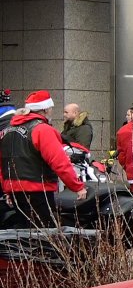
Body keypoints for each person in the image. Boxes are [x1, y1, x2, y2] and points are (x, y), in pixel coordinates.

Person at [1, 90, 87, 226]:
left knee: (26, 234)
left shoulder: (7, 130)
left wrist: (7, 190)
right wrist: (77, 186)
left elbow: (2, 163)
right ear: (46, 109)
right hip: (38, 190)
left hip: (14, 190)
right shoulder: (42, 130)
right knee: (44, 234)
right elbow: (59, 162)